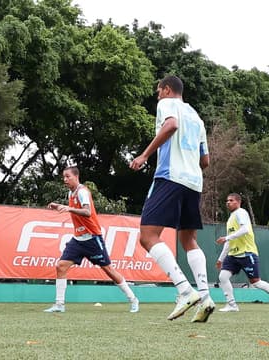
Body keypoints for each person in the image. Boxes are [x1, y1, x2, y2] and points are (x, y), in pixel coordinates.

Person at [129, 75, 215, 322]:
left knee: (147, 236)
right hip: (193, 182)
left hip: (169, 177)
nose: (157, 95)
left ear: (167, 89)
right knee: (188, 239)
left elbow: (171, 125)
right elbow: (205, 161)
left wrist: (144, 155)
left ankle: (185, 290)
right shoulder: (197, 117)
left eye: (158, 91)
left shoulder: (168, 104)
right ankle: (206, 297)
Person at [43, 166, 139, 313]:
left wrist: (68, 208)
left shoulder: (82, 191)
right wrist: (59, 207)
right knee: (61, 266)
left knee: (108, 270)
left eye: (67, 176)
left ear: (76, 176)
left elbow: (87, 212)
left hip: (92, 238)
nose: (65, 180)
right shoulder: (71, 193)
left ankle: (133, 299)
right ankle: (59, 305)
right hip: (78, 240)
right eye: (63, 177)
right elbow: (74, 211)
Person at [215, 193, 269, 311]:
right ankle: (232, 305)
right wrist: (220, 259)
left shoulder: (241, 213)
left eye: (231, 200)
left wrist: (227, 238)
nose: (228, 202)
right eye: (227, 201)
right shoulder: (230, 219)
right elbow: (229, 241)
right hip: (233, 255)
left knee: (255, 282)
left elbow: (245, 229)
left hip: (247, 253)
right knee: (223, 277)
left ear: (238, 202)